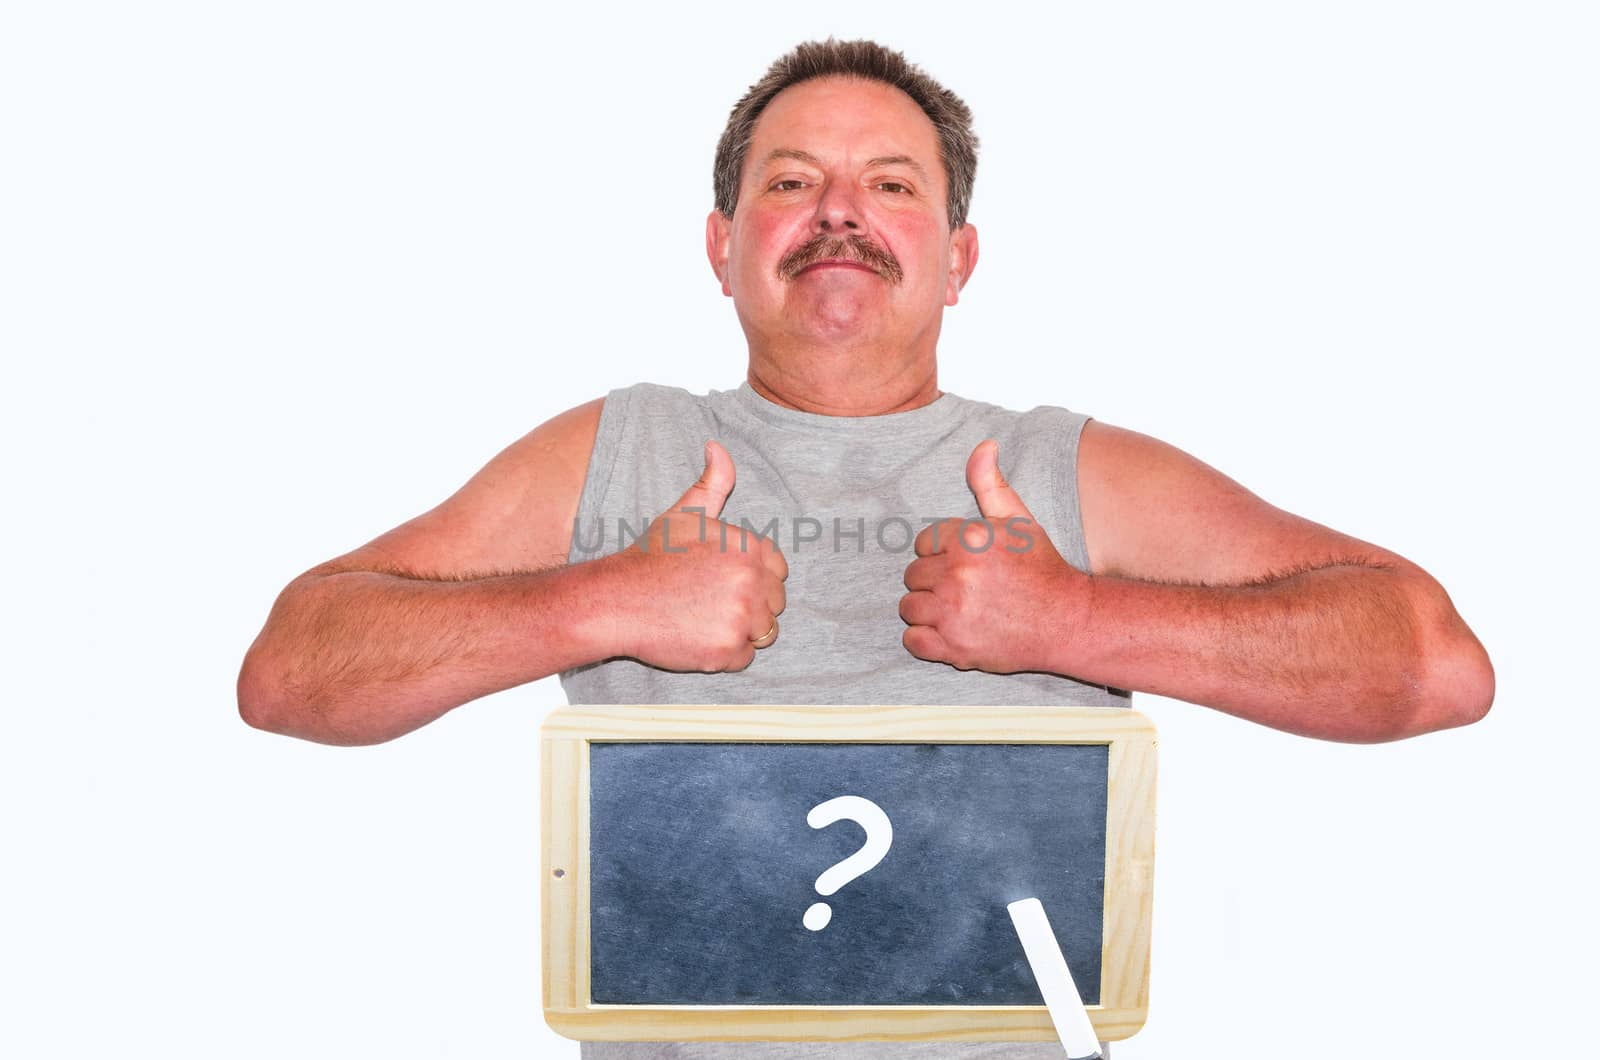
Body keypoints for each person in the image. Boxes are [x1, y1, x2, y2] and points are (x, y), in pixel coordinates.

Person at [237, 38, 1494, 1059]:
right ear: (721, 244)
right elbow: (293, 670)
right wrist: (600, 600)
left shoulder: (1068, 471)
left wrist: (1072, 625)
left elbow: (1430, 662)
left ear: (959, 261)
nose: (839, 213)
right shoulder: (617, 449)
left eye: (891, 183)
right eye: (790, 182)